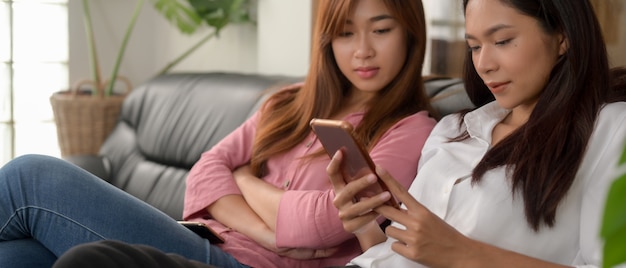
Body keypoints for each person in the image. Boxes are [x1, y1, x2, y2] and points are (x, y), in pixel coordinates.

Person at [0, 0, 437, 267]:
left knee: (29, 178)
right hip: (199, 237)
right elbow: (206, 169)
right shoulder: (287, 102)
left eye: (381, 30)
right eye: (345, 34)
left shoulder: (411, 131)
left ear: (410, 33)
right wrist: (266, 230)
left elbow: (316, 227)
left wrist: (245, 178)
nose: (363, 50)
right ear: (327, 41)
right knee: (17, 255)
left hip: (242, 264)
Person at [327, 0, 626, 267]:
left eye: (503, 40)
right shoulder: (453, 131)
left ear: (562, 36)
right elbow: (397, 256)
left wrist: (463, 254)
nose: (484, 65)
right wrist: (366, 227)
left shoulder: (611, 131)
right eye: (474, 46)